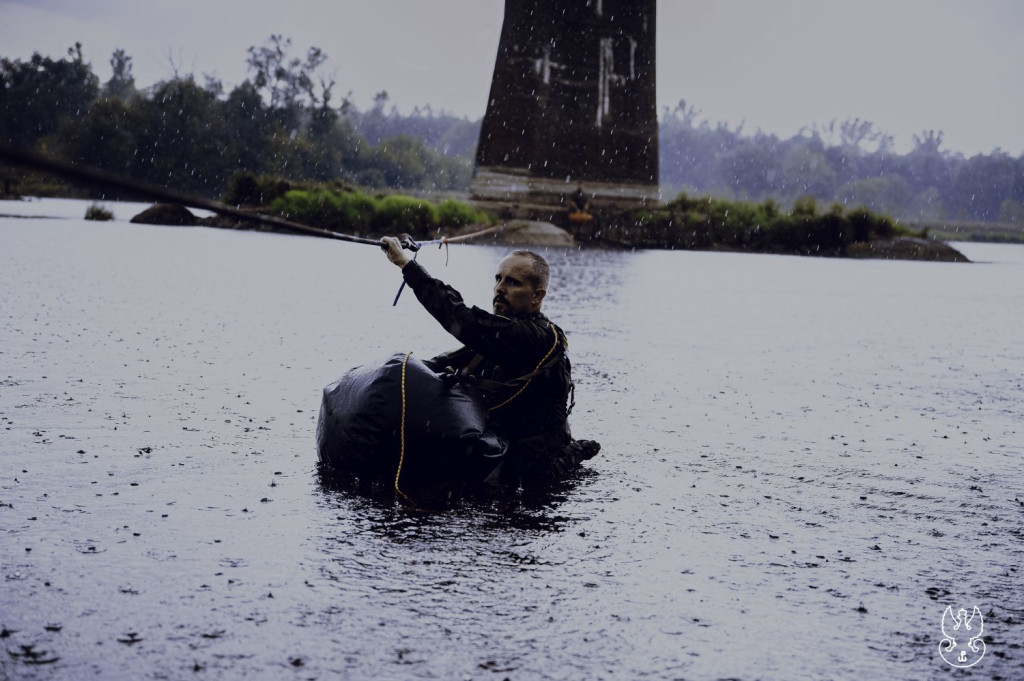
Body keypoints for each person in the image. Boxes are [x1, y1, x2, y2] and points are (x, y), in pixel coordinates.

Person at [379, 236, 599, 491]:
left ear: (537, 296)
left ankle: (573, 454)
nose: (500, 288)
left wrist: (407, 265)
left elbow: (463, 320)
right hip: (499, 442)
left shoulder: (535, 338)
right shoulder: (497, 339)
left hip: (536, 463)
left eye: (513, 282)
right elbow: (438, 365)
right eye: (498, 279)